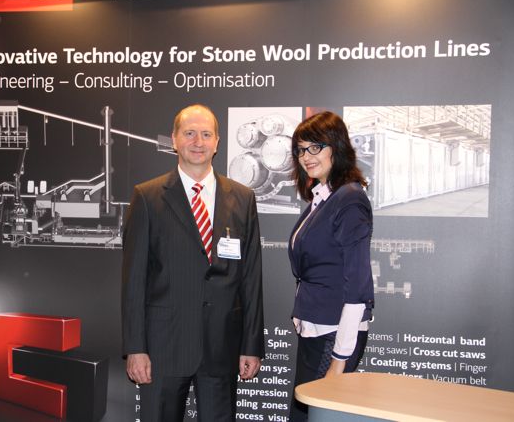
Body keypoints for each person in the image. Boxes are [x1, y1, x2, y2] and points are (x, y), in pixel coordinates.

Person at [121, 104, 265, 422]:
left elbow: (251, 278)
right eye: (189, 133)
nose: (198, 142)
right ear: (174, 140)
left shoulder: (242, 198)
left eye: (206, 134)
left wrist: (251, 345)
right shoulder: (147, 197)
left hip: (221, 348)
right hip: (162, 349)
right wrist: (135, 348)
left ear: (217, 142)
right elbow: (133, 281)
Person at [287, 111, 374, 421]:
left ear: (336, 146)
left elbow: (358, 286)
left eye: (315, 147)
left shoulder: (349, 199)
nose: (306, 156)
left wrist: (340, 357)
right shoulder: (324, 196)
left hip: (334, 335)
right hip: (316, 330)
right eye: (301, 149)